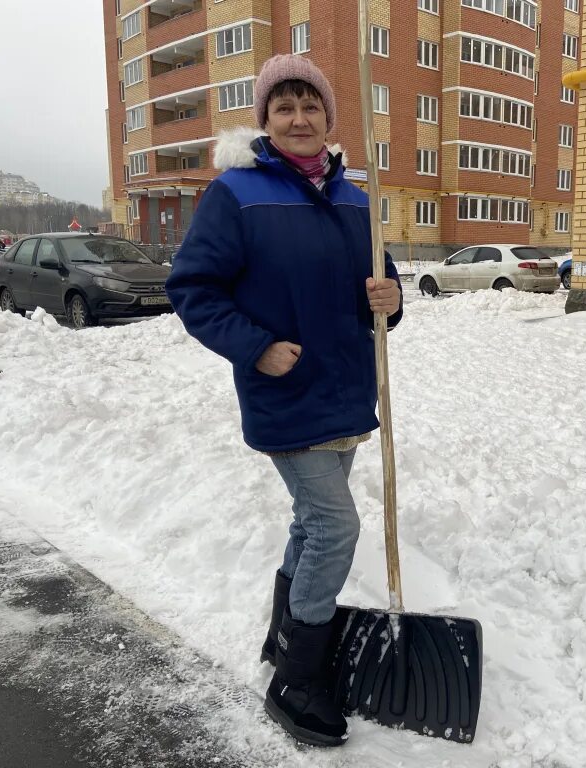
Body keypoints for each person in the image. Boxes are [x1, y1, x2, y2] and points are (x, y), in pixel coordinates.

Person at [165, 54, 403, 748]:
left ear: (329, 119)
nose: (299, 119)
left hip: (348, 392)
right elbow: (194, 289)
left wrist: (390, 301)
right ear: (265, 121)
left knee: (310, 525)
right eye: (283, 107)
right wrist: (256, 346)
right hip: (286, 394)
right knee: (335, 529)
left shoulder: (356, 198)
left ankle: (283, 633)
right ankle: (298, 678)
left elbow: (379, 287)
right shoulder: (236, 193)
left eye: (311, 106)